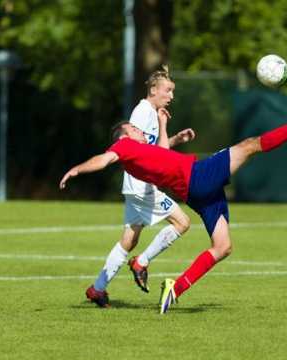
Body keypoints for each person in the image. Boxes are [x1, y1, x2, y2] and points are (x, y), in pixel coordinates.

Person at [60, 91, 287, 314]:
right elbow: (104, 159)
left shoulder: (139, 151)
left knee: (223, 247)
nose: (139, 129)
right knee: (249, 145)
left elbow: (160, 156)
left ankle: (175, 290)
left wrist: (169, 134)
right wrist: (77, 169)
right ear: (123, 135)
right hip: (196, 177)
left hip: (195, 191)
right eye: (134, 129)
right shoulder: (124, 147)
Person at [83, 66, 196, 308]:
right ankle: (141, 263)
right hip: (143, 185)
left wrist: (174, 138)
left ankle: (97, 289)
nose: (171, 96)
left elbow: (154, 151)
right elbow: (143, 153)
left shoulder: (151, 113)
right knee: (182, 223)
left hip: (135, 186)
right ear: (154, 90)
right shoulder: (142, 113)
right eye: (168, 90)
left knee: (129, 240)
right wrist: (164, 127)